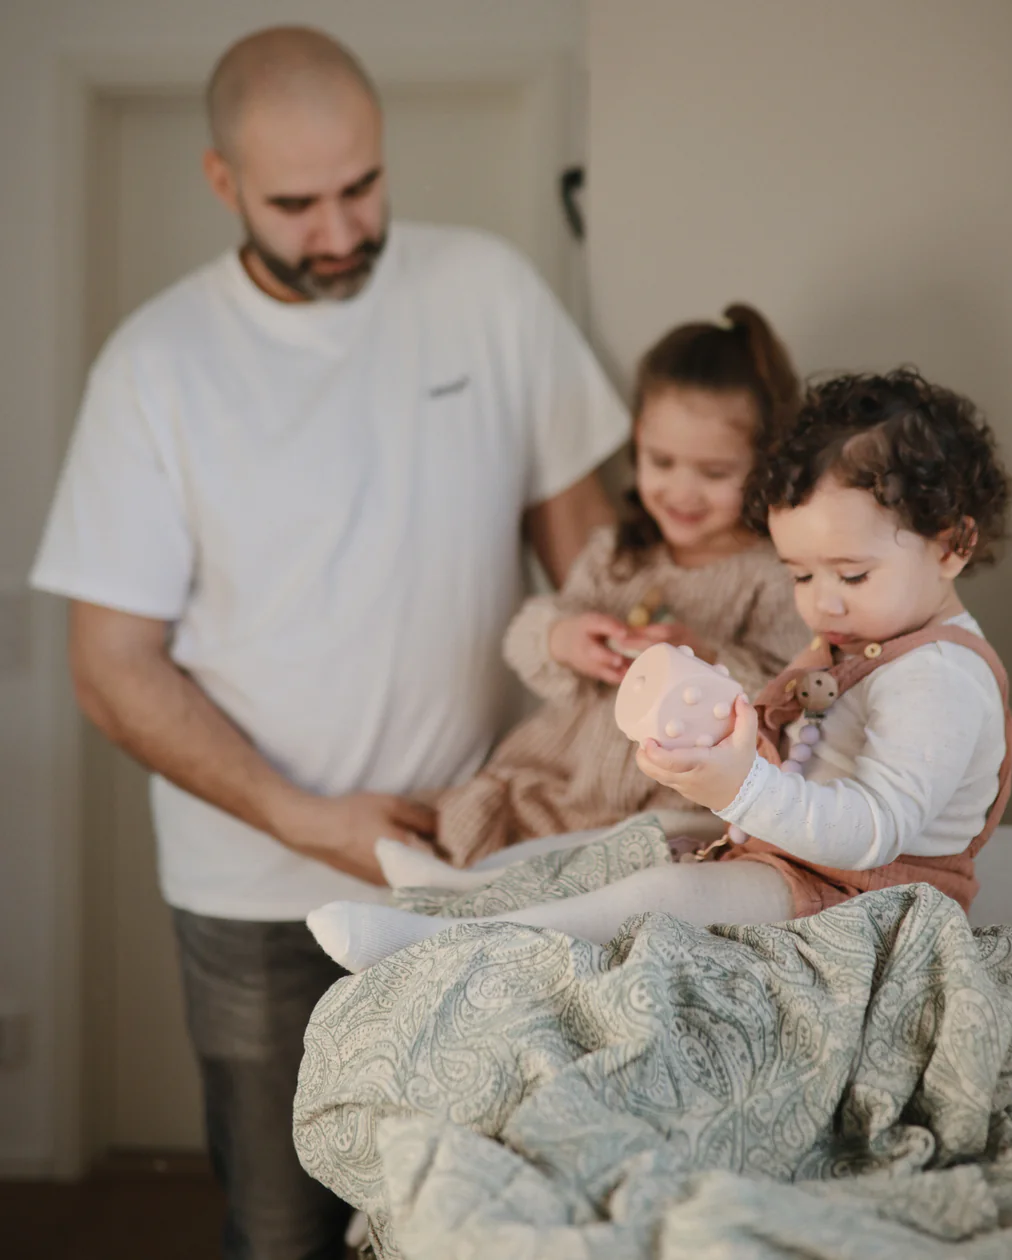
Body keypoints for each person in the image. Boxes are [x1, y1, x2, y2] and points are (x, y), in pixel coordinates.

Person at [29, 25, 627, 1260]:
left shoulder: (489, 293)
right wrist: (309, 820)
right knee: (282, 1228)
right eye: (296, 205)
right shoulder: (154, 367)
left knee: (474, 1220)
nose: (341, 230)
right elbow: (111, 666)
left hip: (477, 868)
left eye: (362, 186)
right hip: (254, 893)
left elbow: (599, 582)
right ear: (223, 181)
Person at [305, 367, 1012, 970]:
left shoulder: (939, 680)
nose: (822, 602)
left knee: (669, 897)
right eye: (800, 574)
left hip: (865, 900)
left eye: (851, 574)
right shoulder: (859, 633)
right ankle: (464, 890)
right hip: (792, 853)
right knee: (637, 838)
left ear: (951, 545)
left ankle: (446, 946)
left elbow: (872, 832)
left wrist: (743, 787)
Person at [418, 303, 811, 868]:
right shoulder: (617, 556)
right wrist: (565, 638)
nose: (681, 491)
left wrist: (706, 660)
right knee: (477, 825)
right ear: (638, 441)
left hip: (668, 796)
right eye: (661, 461)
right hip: (568, 775)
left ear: (765, 463)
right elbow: (524, 637)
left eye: (714, 473)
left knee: (656, 858)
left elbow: (788, 699)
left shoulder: (773, 573)